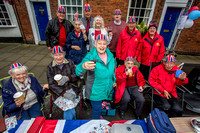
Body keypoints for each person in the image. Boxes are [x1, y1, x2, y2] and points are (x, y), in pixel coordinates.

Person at [75, 34, 116, 119]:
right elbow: (78, 71)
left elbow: (113, 71)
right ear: (95, 44)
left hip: (107, 88)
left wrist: (114, 81)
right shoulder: (90, 56)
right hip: (95, 91)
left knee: (100, 105)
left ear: (107, 45)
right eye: (99, 43)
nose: (102, 46)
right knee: (96, 110)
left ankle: (98, 116)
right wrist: (83, 66)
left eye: (104, 44)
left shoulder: (111, 56)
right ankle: (95, 124)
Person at [47, 46, 79, 120]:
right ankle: (71, 123)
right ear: (53, 55)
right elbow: (51, 84)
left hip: (71, 88)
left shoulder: (70, 63)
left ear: (64, 54)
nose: (58, 57)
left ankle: (68, 124)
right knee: (69, 108)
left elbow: (76, 76)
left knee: (69, 107)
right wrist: (63, 93)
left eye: (60, 54)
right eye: (56, 55)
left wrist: (68, 78)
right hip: (58, 92)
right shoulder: (50, 67)